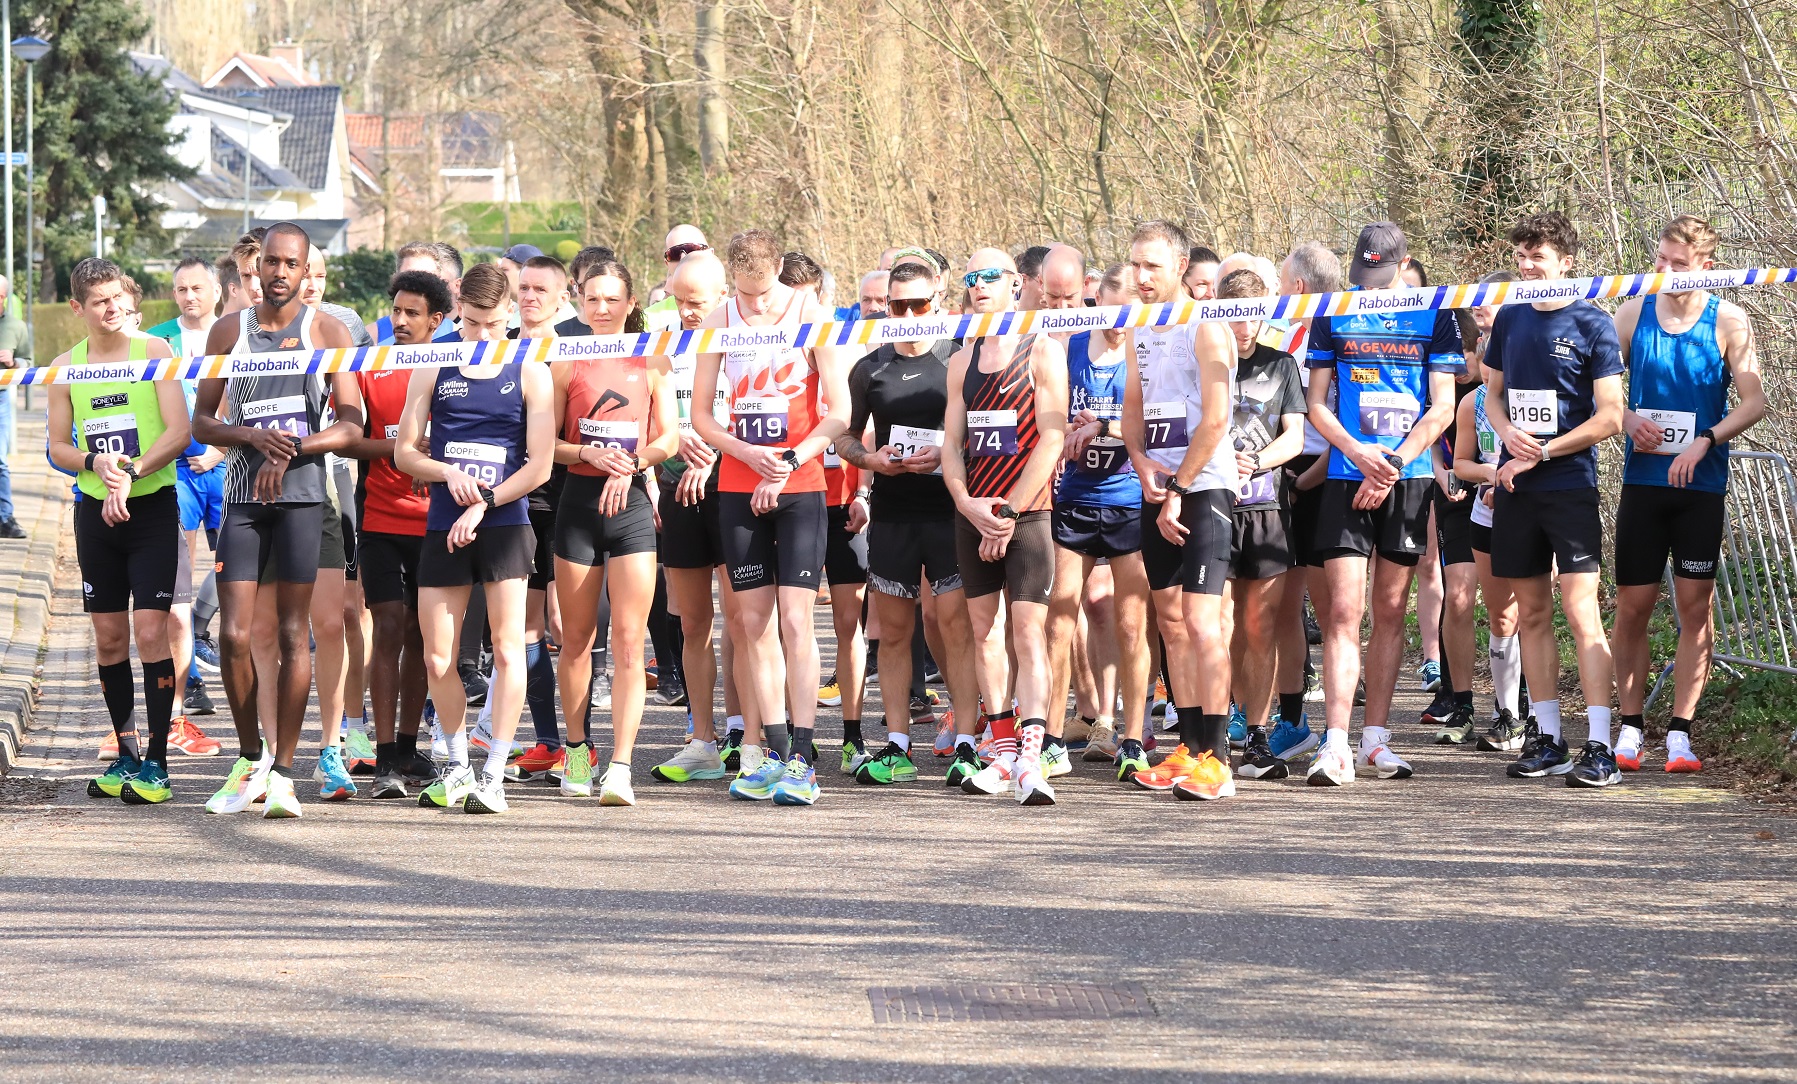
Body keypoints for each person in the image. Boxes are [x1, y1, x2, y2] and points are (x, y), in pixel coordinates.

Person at [194, 222, 364, 819]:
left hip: (302, 499)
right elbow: (203, 423)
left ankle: (286, 775)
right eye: (272, 262)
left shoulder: (327, 330)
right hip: (243, 499)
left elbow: (351, 425)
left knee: (296, 634)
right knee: (234, 635)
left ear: (306, 269)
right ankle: (250, 762)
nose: (281, 273)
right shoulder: (228, 331)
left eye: (293, 264)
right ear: (258, 266)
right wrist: (253, 437)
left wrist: (291, 449)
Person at [691, 229, 850, 806]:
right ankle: (775, 753)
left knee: (797, 622)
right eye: (745, 294)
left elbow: (840, 410)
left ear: (779, 270)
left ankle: (805, 758)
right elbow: (702, 416)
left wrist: (787, 462)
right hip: (739, 483)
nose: (755, 306)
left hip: (799, 484)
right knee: (753, 624)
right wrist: (743, 453)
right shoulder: (720, 317)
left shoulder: (811, 314)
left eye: (763, 293)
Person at [1302, 221, 1463, 787]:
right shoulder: (1334, 310)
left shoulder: (1437, 313)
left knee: (1390, 610)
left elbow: (1443, 407)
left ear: (1405, 263)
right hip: (1348, 474)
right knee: (1344, 612)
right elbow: (1316, 404)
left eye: (1381, 274)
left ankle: (1375, 739)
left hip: (1407, 476)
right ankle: (1335, 743)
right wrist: (1356, 452)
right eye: (1363, 274)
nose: (1370, 285)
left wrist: (1392, 463)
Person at [394, 261, 554, 814]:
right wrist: (447, 472)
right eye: (470, 324)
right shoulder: (434, 364)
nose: (481, 336)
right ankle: (459, 766)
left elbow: (540, 466)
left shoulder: (530, 369)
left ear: (509, 313)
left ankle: (493, 774)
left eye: (492, 325)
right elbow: (405, 452)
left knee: (509, 649)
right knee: (439, 656)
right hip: (445, 522)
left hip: (504, 523)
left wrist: (485, 501)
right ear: (457, 312)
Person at [1611, 215, 1765, 774]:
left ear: (1706, 265)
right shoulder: (1632, 312)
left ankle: (1680, 733)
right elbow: (1598, 389)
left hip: (1700, 486)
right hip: (1643, 484)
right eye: (1660, 259)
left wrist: (1706, 440)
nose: (1666, 271)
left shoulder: (1729, 319)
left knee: (1695, 609)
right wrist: (1627, 418)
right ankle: (1630, 727)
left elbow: (1754, 401)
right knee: (1633, 607)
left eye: (1678, 263)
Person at [1483, 212, 1625, 788]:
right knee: (1532, 614)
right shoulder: (1509, 317)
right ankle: (1548, 739)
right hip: (1516, 486)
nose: (1526, 266)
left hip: (1568, 486)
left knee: (1581, 612)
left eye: (1536, 257)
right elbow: (1491, 394)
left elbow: (1610, 416)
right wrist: (1506, 435)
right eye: (1520, 256)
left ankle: (1600, 745)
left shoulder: (1594, 321)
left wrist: (1544, 450)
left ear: (1566, 263)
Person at [51, 259, 192, 805]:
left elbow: (178, 433)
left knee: (151, 632)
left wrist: (131, 470)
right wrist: (94, 462)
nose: (111, 309)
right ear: (78, 308)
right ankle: (127, 753)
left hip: (150, 507)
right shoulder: (66, 366)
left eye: (117, 298)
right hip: (96, 513)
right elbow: (57, 446)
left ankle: (158, 761)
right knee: (109, 637)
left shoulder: (153, 352)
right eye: (99, 301)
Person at [836, 258, 981, 786]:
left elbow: (981, 432)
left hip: (950, 511)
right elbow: (845, 436)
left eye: (919, 305)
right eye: (898, 306)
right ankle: (897, 743)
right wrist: (871, 460)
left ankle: (968, 741)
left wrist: (948, 452)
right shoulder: (869, 368)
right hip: (894, 514)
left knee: (955, 627)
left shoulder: (959, 359)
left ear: (937, 303)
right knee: (894, 632)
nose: (909, 316)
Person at [942, 247, 1068, 806]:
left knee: (1028, 632)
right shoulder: (961, 359)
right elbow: (952, 446)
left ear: (1017, 283)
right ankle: (1001, 748)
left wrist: (1009, 512)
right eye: (972, 277)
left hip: (1027, 513)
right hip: (974, 514)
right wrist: (967, 504)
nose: (979, 285)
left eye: (990, 276)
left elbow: (1053, 437)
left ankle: (1033, 754)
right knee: (983, 631)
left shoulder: (1042, 349)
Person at [551, 257, 679, 804]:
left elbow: (668, 437)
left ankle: (621, 765)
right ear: (581, 303)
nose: (601, 309)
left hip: (630, 508)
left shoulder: (652, 357)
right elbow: (544, 443)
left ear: (631, 304)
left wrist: (631, 464)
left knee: (629, 640)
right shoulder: (565, 357)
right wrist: (588, 454)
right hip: (578, 505)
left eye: (611, 299)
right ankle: (578, 749)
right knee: (577, 640)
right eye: (592, 299)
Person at [1121, 221, 1238, 801]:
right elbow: (1132, 410)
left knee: (1201, 621)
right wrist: (1141, 462)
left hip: (1204, 487)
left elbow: (1216, 419)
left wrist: (1178, 488)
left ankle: (1219, 758)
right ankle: (1189, 748)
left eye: (1153, 266)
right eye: (1135, 265)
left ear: (1181, 267)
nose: (1141, 277)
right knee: (1169, 622)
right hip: (1158, 486)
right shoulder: (1137, 327)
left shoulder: (1206, 326)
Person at [344, 270, 450, 798]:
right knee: (387, 627)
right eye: (396, 310)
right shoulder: (371, 365)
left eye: (413, 313)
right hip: (380, 520)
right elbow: (348, 442)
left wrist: (439, 456)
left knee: (422, 636)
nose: (400, 320)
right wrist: (403, 450)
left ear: (436, 320)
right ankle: (384, 755)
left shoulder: (454, 365)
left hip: (437, 522)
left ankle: (409, 748)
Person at [1048, 262, 1154, 782]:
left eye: (1128, 315)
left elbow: (1153, 422)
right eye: (1110, 313)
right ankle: (1049, 739)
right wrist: (1061, 431)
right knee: (1060, 617)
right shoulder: (1070, 348)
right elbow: (1048, 413)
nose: (1118, 324)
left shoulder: (1147, 352)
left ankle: (1131, 737)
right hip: (1076, 496)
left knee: (1132, 623)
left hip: (1129, 498)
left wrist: (1104, 426)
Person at [650, 249, 745, 784]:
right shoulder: (661, 345)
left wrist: (712, 452)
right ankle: (702, 739)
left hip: (732, 486)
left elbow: (759, 418)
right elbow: (647, 418)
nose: (687, 312)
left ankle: (749, 737)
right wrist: (671, 441)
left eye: (698, 303)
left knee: (744, 620)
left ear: (723, 297)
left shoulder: (742, 342)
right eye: (679, 301)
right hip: (676, 489)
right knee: (692, 623)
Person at [1215, 268, 1310, 781]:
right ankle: (1217, 728)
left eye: (1252, 316)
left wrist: (1255, 463)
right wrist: (1219, 464)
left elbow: (1295, 437)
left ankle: (1256, 733)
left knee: (1260, 623)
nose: (1244, 327)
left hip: (1266, 507)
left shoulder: (1280, 363)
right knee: (1220, 623)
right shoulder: (1206, 361)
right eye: (1235, 316)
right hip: (1214, 506)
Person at [781, 251, 872, 768]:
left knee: (847, 623)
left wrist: (864, 494)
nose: (801, 311)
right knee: (790, 623)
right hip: (794, 499)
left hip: (842, 502)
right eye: (791, 300)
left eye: (809, 300)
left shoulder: (845, 349)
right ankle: (797, 734)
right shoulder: (770, 352)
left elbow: (865, 431)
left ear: (823, 298)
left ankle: (854, 737)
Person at [1267, 241, 1343, 758]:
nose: (1275, 295)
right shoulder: (1279, 334)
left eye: (1279, 285)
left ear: (1298, 287)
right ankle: (1290, 720)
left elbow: (1343, 421)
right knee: (1281, 607)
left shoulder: (1340, 331)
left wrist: (1305, 482)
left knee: (1333, 611)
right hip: (1278, 470)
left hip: (1326, 475)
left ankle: (1339, 733)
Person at [1451, 281, 1528, 749]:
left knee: (1534, 613)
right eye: (1483, 356)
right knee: (1501, 617)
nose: (1488, 365)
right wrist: (1489, 475)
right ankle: (1507, 715)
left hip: (1534, 510)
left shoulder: (1533, 393)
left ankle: (1539, 715)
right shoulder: (1471, 403)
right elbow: (1461, 462)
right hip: (1487, 514)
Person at [0, 275, 30, 539]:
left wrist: (12, 363)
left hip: (0, 399)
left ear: (3, 297)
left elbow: (28, 363)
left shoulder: (16, 326)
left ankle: (5, 518)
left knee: (0, 460)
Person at [646, 224, 710, 331]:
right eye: (674, 254)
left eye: (692, 250)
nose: (683, 258)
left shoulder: (734, 310)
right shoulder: (648, 320)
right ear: (667, 263)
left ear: (710, 254)